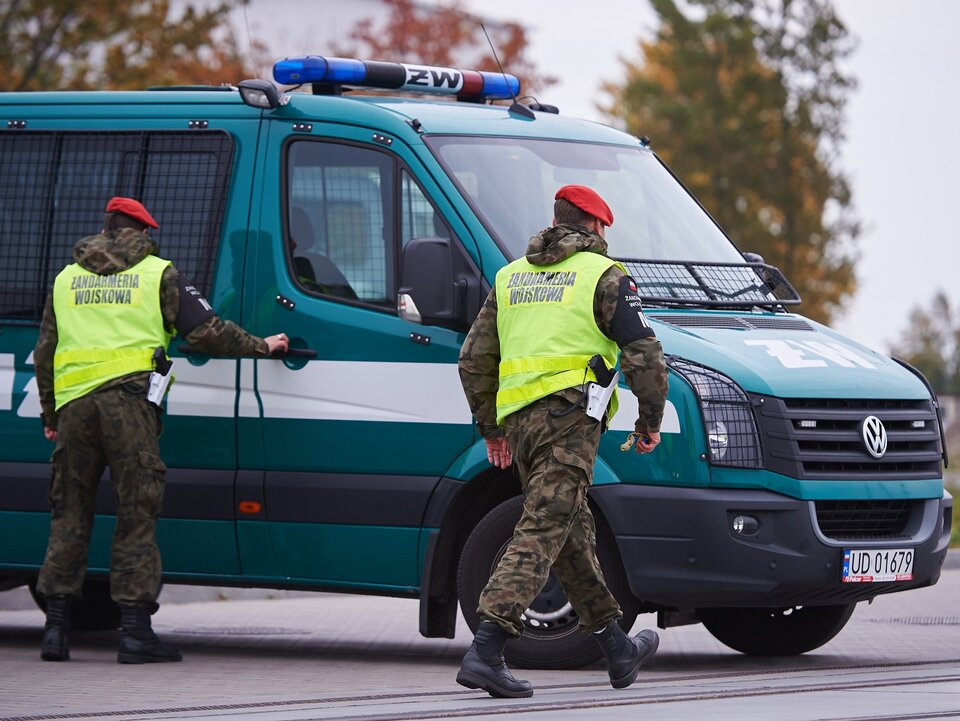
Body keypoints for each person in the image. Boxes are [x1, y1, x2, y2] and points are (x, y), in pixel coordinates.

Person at [33, 197, 289, 664]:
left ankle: (55, 630)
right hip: (129, 407)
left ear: (105, 228)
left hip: (75, 410)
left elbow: (45, 351)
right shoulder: (157, 272)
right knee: (136, 514)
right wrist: (262, 345)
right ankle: (134, 634)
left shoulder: (67, 278)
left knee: (69, 514)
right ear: (143, 232)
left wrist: (51, 415)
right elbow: (206, 332)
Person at [456, 185, 669, 698]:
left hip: (521, 425)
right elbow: (644, 354)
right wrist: (649, 422)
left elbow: (472, 359)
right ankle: (486, 649)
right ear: (596, 225)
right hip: (570, 422)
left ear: (556, 221)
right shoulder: (605, 275)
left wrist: (492, 428)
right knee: (543, 528)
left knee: (571, 531)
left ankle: (616, 647)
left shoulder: (511, 276)